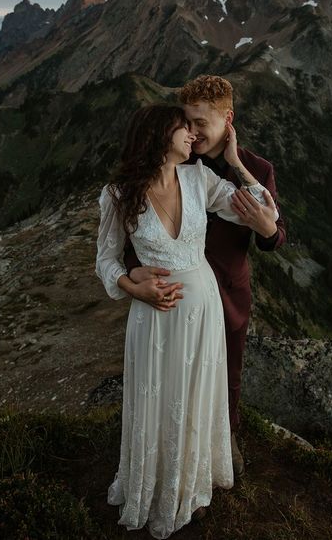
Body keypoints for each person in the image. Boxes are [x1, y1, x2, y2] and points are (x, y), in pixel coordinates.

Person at [95, 104, 278, 539]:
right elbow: (104, 259)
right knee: (158, 399)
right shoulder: (118, 194)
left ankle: (190, 487)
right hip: (154, 319)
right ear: (161, 136)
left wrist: (235, 162)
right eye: (183, 129)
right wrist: (131, 284)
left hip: (203, 312)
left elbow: (260, 207)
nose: (191, 138)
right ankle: (154, 487)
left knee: (194, 398)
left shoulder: (201, 179)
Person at [123, 75, 287, 479]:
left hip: (227, 293)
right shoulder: (176, 160)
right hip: (172, 292)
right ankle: (166, 447)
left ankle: (222, 438)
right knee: (168, 374)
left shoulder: (257, 167)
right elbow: (135, 231)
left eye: (200, 123)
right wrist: (131, 274)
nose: (192, 133)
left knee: (225, 372)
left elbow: (275, 234)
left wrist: (264, 223)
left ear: (227, 119)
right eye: (187, 123)